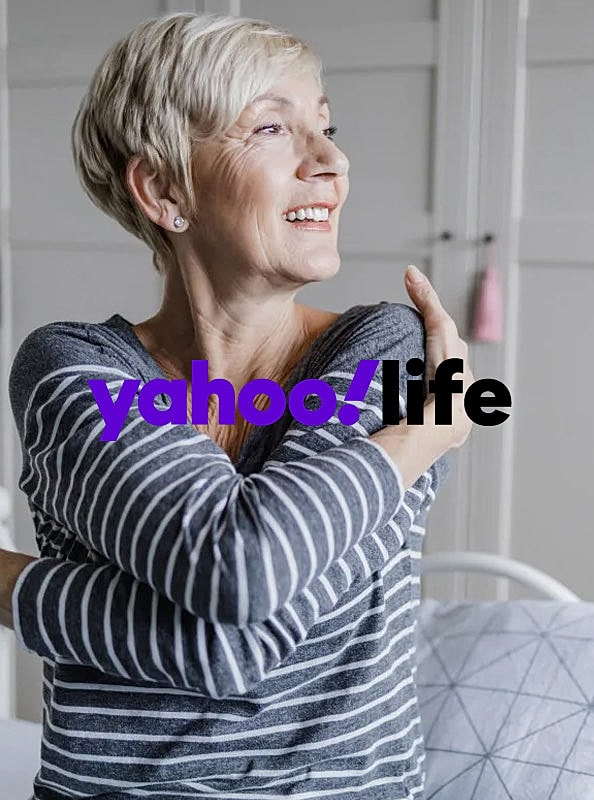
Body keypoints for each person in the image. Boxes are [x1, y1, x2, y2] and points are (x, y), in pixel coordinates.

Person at [0, 12, 474, 799]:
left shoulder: (386, 350)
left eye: (326, 127)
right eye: (271, 128)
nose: (332, 161)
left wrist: (8, 585)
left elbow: (242, 621)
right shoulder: (74, 370)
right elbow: (245, 582)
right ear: (162, 189)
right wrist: (421, 440)